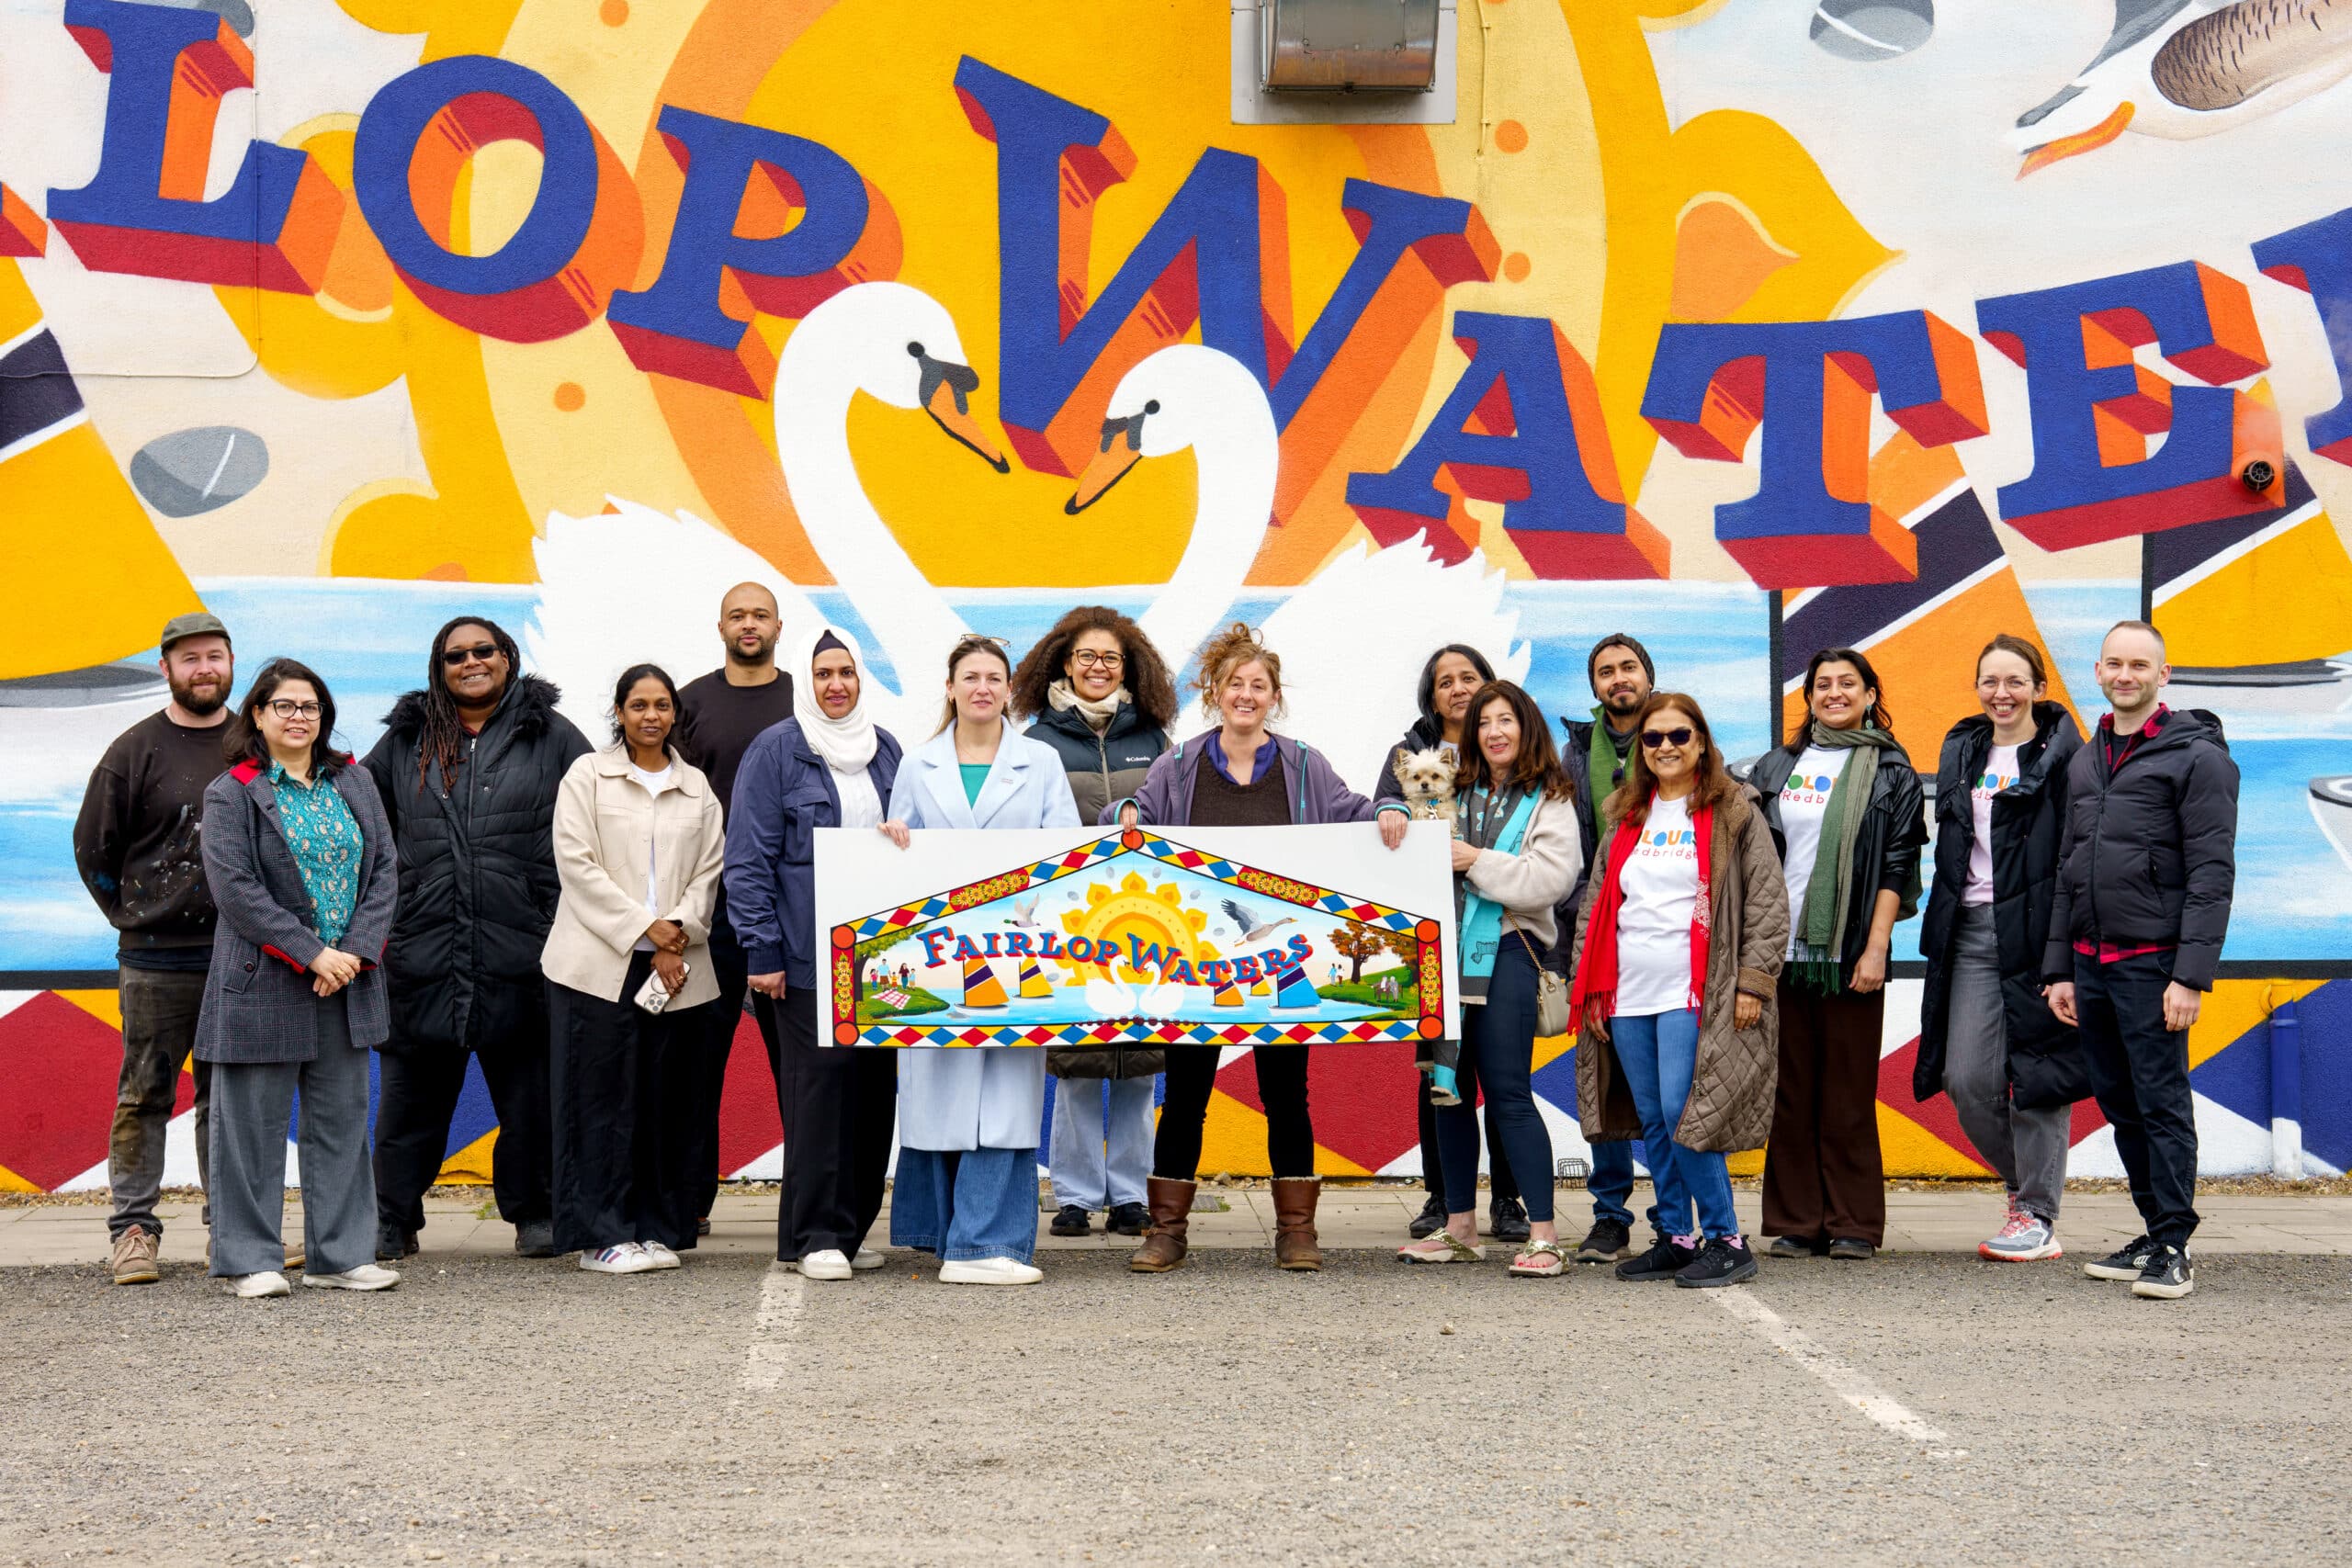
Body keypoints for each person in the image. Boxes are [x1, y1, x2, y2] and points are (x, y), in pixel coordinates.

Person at [1111, 623, 1393, 1273]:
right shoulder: (1178, 764)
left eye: (1258, 685)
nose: (1246, 694)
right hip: (1196, 962)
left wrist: (1390, 810)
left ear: (1273, 697)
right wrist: (1125, 810)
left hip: (1281, 959)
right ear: (1215, 691)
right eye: (1235, 683)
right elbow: (1134, 812)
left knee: (1286, 1092)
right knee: (1185, 1093)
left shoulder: (1303, 765)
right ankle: (1167, 1231)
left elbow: (1351, 812)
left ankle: (1297, 1231)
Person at [365, 617, 590, 1261]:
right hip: (424, 950)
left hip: (524, 950)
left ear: (507, 656)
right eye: (455, 654)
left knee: (530, 1102)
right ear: (439, 667)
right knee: (409, 1105)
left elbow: (596, 826)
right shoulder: (406, 739)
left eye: (482, 650)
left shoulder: (551, 736)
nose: (471, 662)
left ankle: (535, 1212)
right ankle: (390, 1217)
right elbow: (362, 829)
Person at [2044, 621, 2237, 1301]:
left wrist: (2190, 975)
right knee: (2121, 1101)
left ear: (2164, 673)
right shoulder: (2087, 757)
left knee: (2159, 1100)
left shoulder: (2198, 757)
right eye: (2115, 664)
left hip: (2154, 964)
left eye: (2140, 664)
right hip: (2092, 963)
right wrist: (2059, 967)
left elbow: (2212, 873)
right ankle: (2156, 1228)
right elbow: (2070, 868)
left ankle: (2176, 1243)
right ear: (2098, 671)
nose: (2126, 674)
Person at [1567, 694, 1786, 1288]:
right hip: (1629, 990)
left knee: (1684, 1110)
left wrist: (1754, 983)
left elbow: (1767, 902)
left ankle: (1725, 1238)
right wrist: (1590, 990)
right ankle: (1678, 1235)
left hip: (1700, 991)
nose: (1666, 746)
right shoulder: (1625, 813)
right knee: (1652, 1120)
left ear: (1702, 742)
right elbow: (1598, 903)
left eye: (1679, 735)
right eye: (1653, 738)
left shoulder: (1733, 810)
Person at [196, 660, 400, 1298]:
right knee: (251, 1130)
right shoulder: (233, 791)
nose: (298, 717)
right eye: (283, 705)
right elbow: (237, 891)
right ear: (256, 714)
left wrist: (354, 953)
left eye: (309, 706)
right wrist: (313, 953)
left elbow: (386, 868)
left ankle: (339, 1255)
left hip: (346, 982)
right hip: (265, 982)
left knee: (340, 1123)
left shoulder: (354, 780)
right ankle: (249, 1259)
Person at [882, 634, 1081, 1285]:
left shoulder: (1042, 762)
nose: (982, 688)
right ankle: (945, 1237)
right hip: (941, 961)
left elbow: (1068, 860)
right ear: (951, 687)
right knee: (940, 1090)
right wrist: (892, 843)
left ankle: (990, 1243)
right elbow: (893, 858)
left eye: (995, 677)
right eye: (970, 676)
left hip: (1016, 956)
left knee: (1003, 1098)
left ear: (1008, 689)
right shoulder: (917, 765)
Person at [729, 627, 903, 1280]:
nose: (836, 684)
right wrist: (762, 950)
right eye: (824, 672)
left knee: (871, 1092)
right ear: (807, 680)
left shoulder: (886, 750)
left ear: (861, 680)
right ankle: (813, 1234)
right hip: (802, 959)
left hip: (878, 960)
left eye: (847, 672)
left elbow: (910, 835)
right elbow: (747, 860)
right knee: (817, 1093)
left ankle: (850, 1231)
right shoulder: (775, 752)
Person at [1394, 682, 1580, 1276]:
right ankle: (1458, 1227)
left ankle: (1545, 1235)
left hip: (1505, 954)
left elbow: (1548, 880)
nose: (1495, 731)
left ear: (1527, 727)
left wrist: (1475, 860)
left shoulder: (1549, 797)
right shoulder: (1453, 789)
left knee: (1507, 1094)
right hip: (1442, 956)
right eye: (1484, 722)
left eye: (1507, 720)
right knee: (1447, 1093)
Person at [544, 665, 726, 1274]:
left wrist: (677, 933)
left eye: (663, 705)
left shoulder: (696, 786)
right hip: (597, 965)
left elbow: (709, 872)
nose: (652, 715)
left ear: (676, 713)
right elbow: (577, 863)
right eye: (639, 704)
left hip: (676, 966)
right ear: (619, 712)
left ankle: (654, 1227)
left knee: (665, 1101)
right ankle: (602, 1234)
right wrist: (646, 928)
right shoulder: (588, 776)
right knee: (600, 1100)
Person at [73, 613, 237, 1286]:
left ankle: (230, 1228)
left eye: (216, 656)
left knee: (225, 1098)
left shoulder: (252, 743)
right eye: (190, 658)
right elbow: (94, 848)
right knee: (144, 1095)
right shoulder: (133, 751)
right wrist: (132, 915)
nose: (204, 668)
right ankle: (133, 1230)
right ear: (167, 668)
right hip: (154, 959)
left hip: (241, 957)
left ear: (232, 663)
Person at [1748, 648, 1926, 1261]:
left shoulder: (1892, 772)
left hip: (1849, 952)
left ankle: (1852, 1220)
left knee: (1848, 1091)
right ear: (1810, 697)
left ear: (1871, 693)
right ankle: (1799, 1220)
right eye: (1822, 683)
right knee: (1790, 1091)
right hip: (1781, 949)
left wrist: (1876, 947)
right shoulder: (1778, 766)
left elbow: (1898, 865)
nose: (1834, 692)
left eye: (1847, 683)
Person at [1917, 636, 2084, 1263]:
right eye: (1990, 680)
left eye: (2016, 680)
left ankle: (2037, 1214)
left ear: (2041, 688)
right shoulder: (1964, 747)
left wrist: (2065, 950)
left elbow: (2077, 852)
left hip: (2041, 932)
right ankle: (2026, 1187)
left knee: (2039, 1074)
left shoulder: (2068, 757)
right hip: (1972, 931)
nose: (2001, 692)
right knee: (1966, 1077)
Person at [1010, 606, 1176, 1238]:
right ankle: (1075, 1194)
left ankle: (1131, 1193)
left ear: (1127, 667)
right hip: (1068, 922)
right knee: (1077, 1063)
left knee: (1138, 1064)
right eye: (1086, 657)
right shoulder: (1035, 743)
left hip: (1145, 921)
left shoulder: (1157, 740)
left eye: (1111, 658)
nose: (1098, 667)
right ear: (1063, 664)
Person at [1371, 644, 1526, 1246]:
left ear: (1490, 684)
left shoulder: (1507, 749)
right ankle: (1442, 1194)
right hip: (1431, 930)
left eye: (1469, 677)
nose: (1458, 688)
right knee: (1437, 1068)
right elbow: (1384, 802)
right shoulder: (1406, 753)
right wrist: (1389, 805)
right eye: (1445, 682)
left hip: (1497, 926)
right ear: (1431, 697)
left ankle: (1508, 1199)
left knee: (1506, 1074)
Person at [673, 582, 797, 1234]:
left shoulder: (804, 699)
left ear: (779, 623)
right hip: (711, 911)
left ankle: (806, 1207)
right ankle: (689, 1203)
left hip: (791, 916)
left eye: (759, 614)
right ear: (720, 623)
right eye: (737, 615)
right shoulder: (691, 702)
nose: (749, 624)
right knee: (698, 1065)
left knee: (798, 1068)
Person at [1555, 633, 1666, 1264]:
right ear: (1595, 686)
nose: (1619, 679)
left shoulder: (1682, 740)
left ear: (1648, 676)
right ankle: (1609, 1214)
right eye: (1606, 671)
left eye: (1629, 668)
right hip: (1595, 934)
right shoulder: (1575, 753)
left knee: (1670, 1081)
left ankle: (1671, 1214)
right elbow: (1565, 847)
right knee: (1602, 1078)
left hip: (1667, 935)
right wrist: (1579, 917)